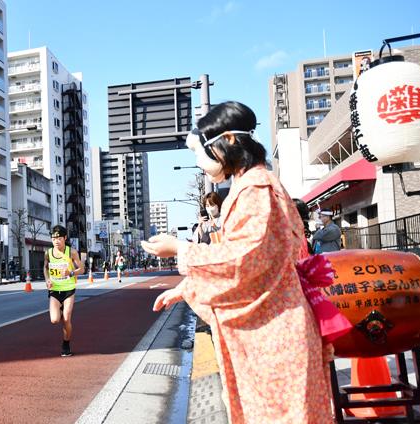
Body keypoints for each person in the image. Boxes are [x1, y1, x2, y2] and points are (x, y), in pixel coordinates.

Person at [141, 101, 333, 423]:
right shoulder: (255, 184)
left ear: (228, 140)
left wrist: (180, 249)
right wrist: (186, 287)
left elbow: (244, 257)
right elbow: (254, 260)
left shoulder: (255, 188)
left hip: (273, 333)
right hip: (273, 324)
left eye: (201, 151)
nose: (199, 162)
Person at [44, 225, 84, 357]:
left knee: (66, 319)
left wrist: (71, 272)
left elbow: (82, 269)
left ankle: (66, 344)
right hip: (55, 290)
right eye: (54, 238)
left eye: (59, 238)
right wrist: (47, 279)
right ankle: (60, 311)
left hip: (68, 289)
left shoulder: (71, 252)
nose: (56, 241)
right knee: (54, 320)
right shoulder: (48, 253)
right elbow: (45, 268)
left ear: (65, 238)